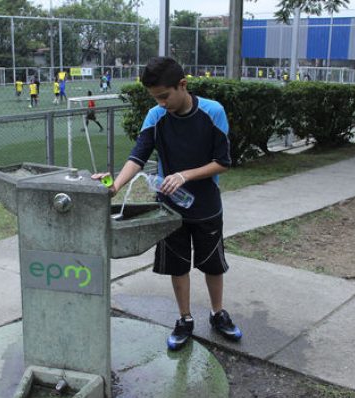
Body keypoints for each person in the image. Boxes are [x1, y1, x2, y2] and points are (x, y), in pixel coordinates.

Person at [92, 57, 242, 351]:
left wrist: (185, 175)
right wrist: (116, 186)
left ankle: (217, 313)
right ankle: (184, 319)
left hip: (207, 205)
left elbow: (222, 163)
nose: (161, 103)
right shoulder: (155, 116)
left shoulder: (213, 112)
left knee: (212, 264)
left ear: (182, 85)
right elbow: (138, 156)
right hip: (169, 207)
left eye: (164, 96)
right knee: (177, 264)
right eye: (155, 98)